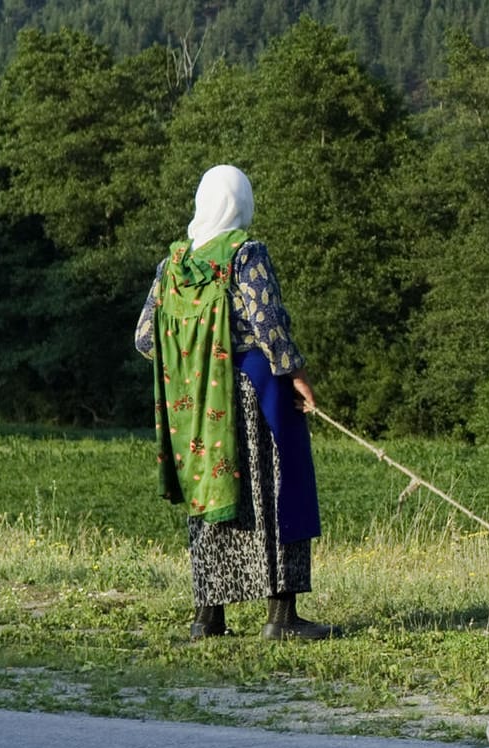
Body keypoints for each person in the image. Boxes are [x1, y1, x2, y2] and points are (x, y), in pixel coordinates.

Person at [134, 164, 341, 641]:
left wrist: (194, 356)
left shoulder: (173, 267)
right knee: (273, 489)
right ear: (241, 203)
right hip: (253, 387)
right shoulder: (245, 255)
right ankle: (281, 617)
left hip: (196, 401)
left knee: (214, 494)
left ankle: (209, 617)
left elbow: (146, 339)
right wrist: (299, 375)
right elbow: (268, 325)